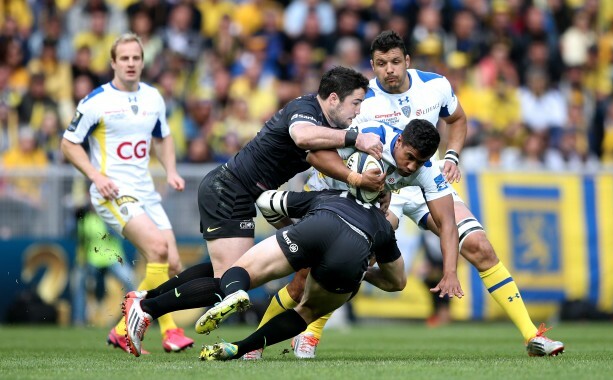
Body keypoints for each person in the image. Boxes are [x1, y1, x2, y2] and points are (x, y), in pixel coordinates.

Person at [258, 30, 565, 359]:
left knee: (478, 245)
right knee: (334, 265)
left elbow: (458, 119)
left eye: (393, 62)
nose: (388, 69)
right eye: (380, 63)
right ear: (372, 67)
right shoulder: (361, 99)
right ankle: (300, 336)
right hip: (375, 187)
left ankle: (533, 335)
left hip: (422, 179)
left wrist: (452, 156)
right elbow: (330, 143)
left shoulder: (436, 86)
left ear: (407, 61)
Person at [121, 119, 464, 358]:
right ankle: (156, 307)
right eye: (408, 158)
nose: (410, 167)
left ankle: (152, 303)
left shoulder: (424, 171)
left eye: (418, 163)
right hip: (327, 194)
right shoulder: (370, 135)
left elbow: (447, 223)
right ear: (399, 141)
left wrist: (450, 271)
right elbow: (314, 154)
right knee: (264, 280)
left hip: (336, 215)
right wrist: (354, 178)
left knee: (236, 273)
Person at [60, 33, 194, 354]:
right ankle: (165, 329)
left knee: (172, 262)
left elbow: (163, 137)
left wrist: (171, 170)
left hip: (146, 189)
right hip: (113, 191)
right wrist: (95, 175)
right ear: (113, 63)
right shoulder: (97, 101)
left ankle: (127, 329)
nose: (131, 63)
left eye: (136, 58)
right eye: (124, 58)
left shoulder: (153, 97)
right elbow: (68, 143)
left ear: (143, 61)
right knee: (159, 250)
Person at [197, 66, 383, 281]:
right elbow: (301, 136)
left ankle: (152, 300)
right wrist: (356, 138)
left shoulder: (324, 125)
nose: (358, 111)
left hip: (241, 193)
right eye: (356, 103)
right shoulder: (305, 108)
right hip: (228, 188)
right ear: (333, 98)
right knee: (231, 280)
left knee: (230, 276)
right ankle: (153, 305)